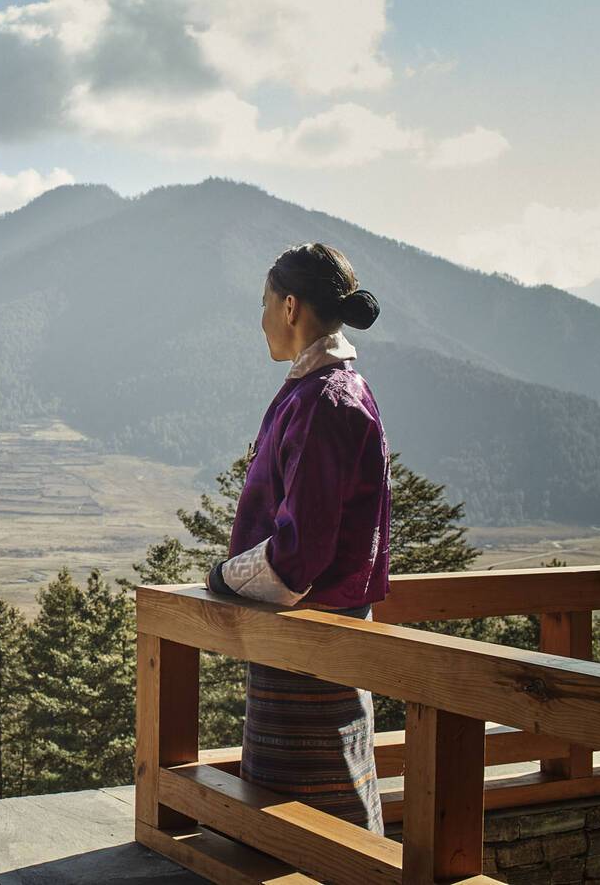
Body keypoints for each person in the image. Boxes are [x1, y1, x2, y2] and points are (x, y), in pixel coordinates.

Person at [205, 241, 390, 835]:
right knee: (317, 802)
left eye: (263, 304)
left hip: (310, 642)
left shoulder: (324, 401)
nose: (259, 319)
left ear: (290, 307)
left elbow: (296, 559)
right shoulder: (333, 391)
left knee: (313, 815)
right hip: (323, 636)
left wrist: (221, 576)